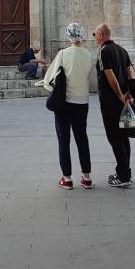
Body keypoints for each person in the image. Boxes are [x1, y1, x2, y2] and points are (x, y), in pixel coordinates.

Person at [42, 23, 96, 189]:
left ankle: (67, 178)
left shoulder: (63, 54)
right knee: (82, 138)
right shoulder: (89, 55)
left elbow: (48, 79)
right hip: (83, 102)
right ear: (82, 35)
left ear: (68, 36)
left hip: (65, 103)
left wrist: (52, 89)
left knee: (63, 140)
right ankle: (86, 177)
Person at [94, 23, 135, 188]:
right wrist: (128, 95)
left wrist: (119, 96)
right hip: (124, 100)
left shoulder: (104, 51)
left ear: (102, 35)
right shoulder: (121, 50)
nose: (94, 37)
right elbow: (129, 73)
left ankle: (123, 175)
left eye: (94, 34)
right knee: (124, 136)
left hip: (111, 102)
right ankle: (124, 171)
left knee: (115, 137)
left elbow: (110, 77)